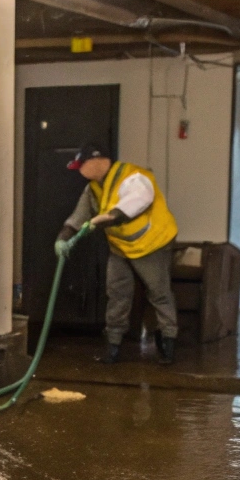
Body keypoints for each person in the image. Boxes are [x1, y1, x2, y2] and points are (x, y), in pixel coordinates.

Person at [57, 143, 181, 364]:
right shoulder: (93, 188)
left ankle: (168, 341)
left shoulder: (133, 177)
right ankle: (113, 346)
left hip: (152, 243)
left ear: (97, 161)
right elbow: (79, 216)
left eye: (82, 165)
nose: (80, 172)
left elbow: (135, 202)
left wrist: (105, 218)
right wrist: (63, 238)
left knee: (159, 293)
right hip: (120, 248)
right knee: (117, 293)